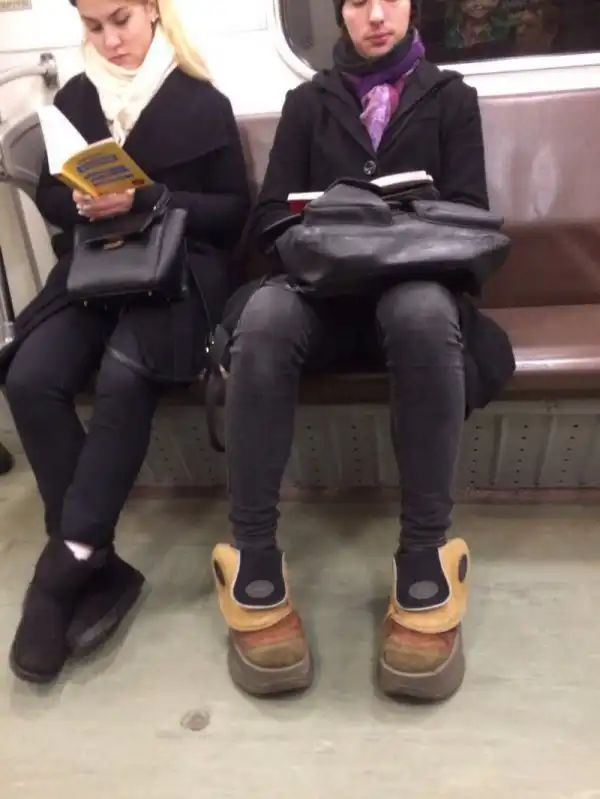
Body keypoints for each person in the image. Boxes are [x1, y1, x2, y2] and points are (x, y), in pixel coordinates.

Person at [211, 0, 514, 701]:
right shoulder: (306, 103)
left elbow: (472, 212)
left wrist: (394, 226)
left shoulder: (451, 97)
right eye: (355, 1)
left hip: (414, 289)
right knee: (263, 315)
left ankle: (425, 556)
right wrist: (331, 224)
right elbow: (268, 218)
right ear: (340, 13)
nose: (376, 15)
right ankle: (253, 555)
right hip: (323, 294)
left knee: (420, 312)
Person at [3, 0, 250, 684]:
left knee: (123, 371)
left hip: (180, 269)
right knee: (29, 377)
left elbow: (233, 214)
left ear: (152, 12)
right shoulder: (76, 102)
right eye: (94, 27)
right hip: (99, 264)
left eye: (121, 20)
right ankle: (99, 564)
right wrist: (82, 202)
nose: (110, 40)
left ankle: (68, 560)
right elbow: (52, 199)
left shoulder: (202, 100)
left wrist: (147, 197)